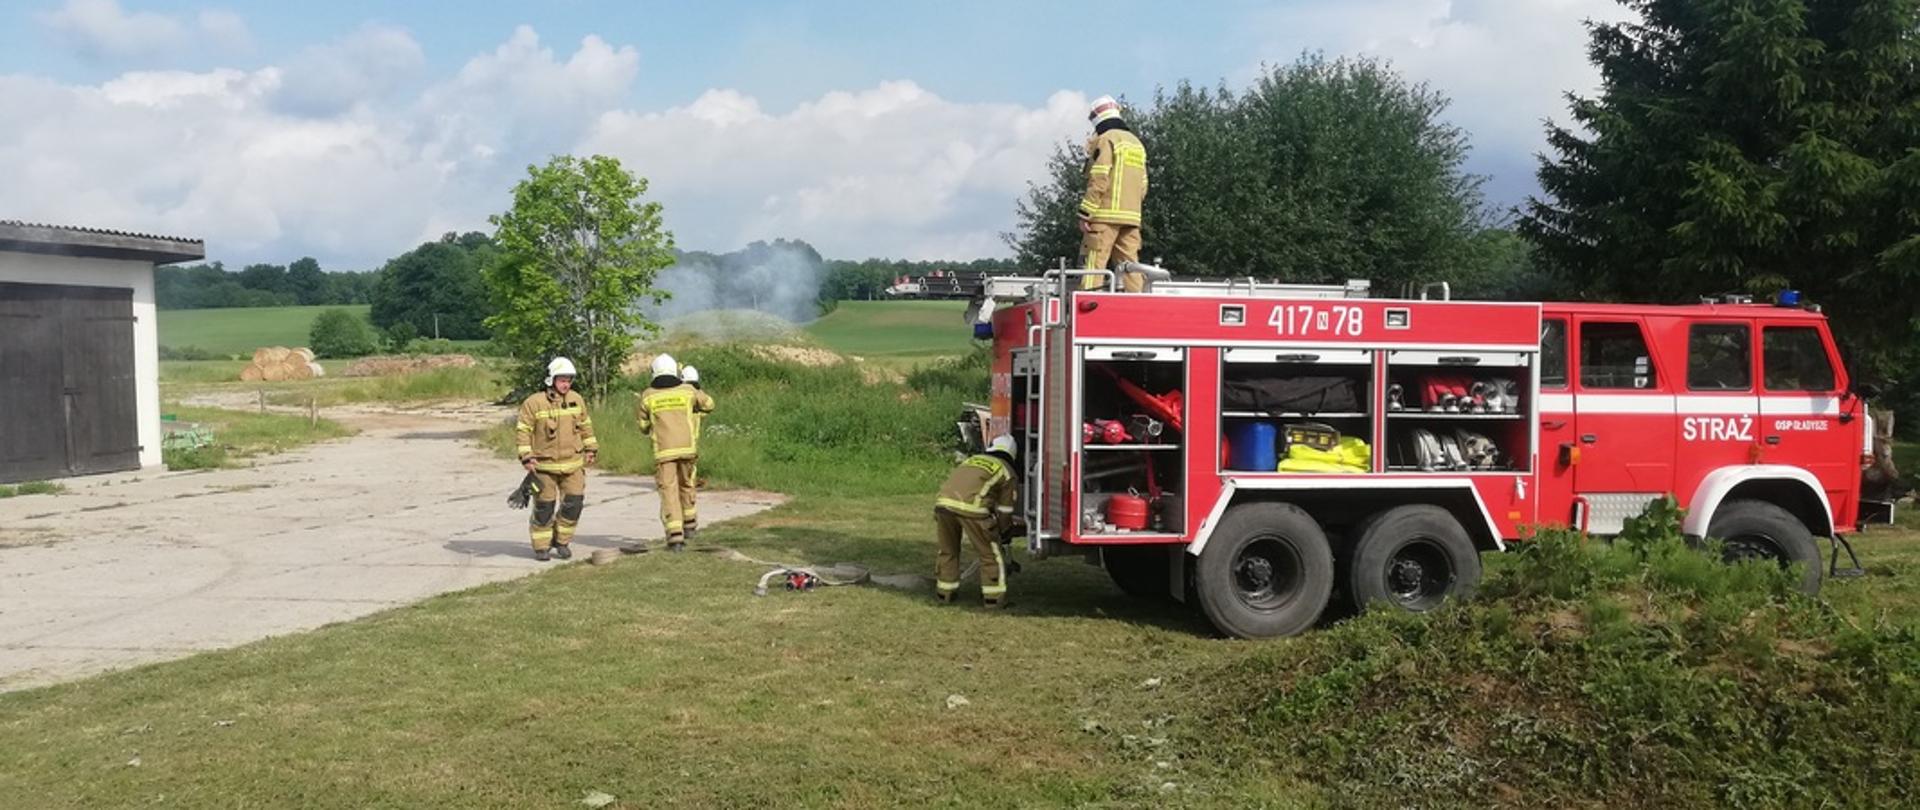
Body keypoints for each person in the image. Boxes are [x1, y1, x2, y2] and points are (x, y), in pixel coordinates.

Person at [514, 357, 596, 561]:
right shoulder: (534, 403)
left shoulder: (577, 399)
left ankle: (562, 542)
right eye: (562, 379)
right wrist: (526, 456)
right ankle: (541, 546)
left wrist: (591, 448)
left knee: (573, 505)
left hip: (573, 465)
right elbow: (523, 431)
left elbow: (586, 426)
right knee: (544, 507)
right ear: (551, 379)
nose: (566, 384)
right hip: (544, 467)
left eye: (569, 380)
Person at [637, 353, 715, 551]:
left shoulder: (648, 395)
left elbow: (643, 425)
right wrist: (695, 410)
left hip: (664, 452)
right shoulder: (688, 390)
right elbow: (709, 405)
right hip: (688, 449)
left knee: (669, 491)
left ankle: (675, 536)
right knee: (687, 485)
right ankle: (690, 525)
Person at [933, 435, 1020, 608]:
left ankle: (945, 593)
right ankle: (993, 599)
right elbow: (1005, 509)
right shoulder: (1006, 470)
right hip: (972, 508)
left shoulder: (972, 460)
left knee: (948, 550)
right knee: (990, 553)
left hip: (943, 504)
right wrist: (1003, 531)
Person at [1077, 95, 1150, 292]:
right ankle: (1138, 305)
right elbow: (1143, 184)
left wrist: (1085, 213)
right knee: (1131, 266)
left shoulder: (1106, 139)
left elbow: (1099, 178)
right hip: (1132, 217)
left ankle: (1089, 305)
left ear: (1096, 117)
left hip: (1104, 216)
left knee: (1094, 263)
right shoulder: (1136, 143)